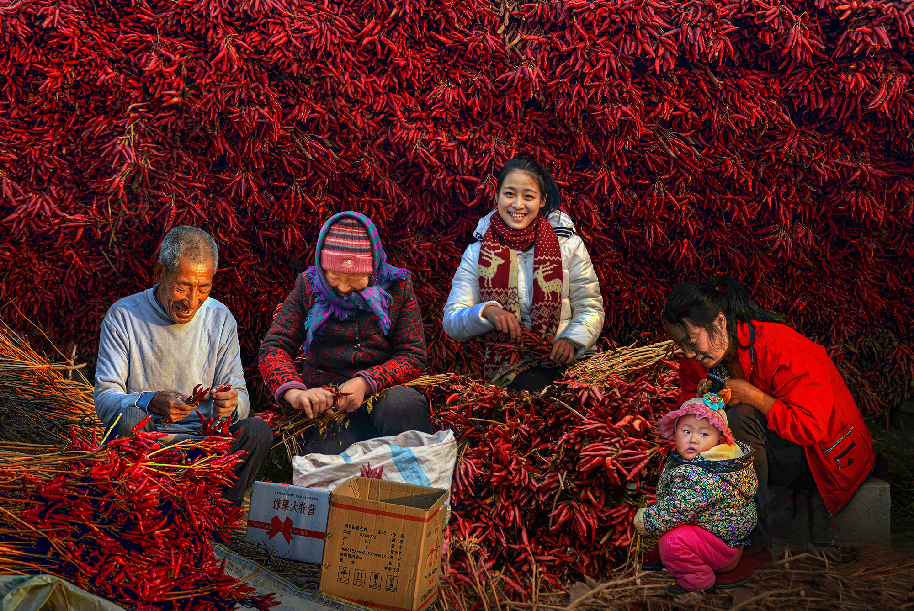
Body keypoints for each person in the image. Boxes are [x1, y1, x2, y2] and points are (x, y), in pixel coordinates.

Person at [655, 274, 875, 585]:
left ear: (720, 321)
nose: (688, 353)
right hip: (769, 449)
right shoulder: (697, 362)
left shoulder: (780, 346)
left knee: (739, 418)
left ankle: (752, 544)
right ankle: (690, 539)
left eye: (691, 341)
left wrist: (751, 395)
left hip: (821, 456)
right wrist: (698, 405)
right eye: (680, 345)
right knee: (695, 435)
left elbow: (811, 429)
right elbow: (687, 415)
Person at [94, 226, 273, 506]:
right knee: (127, 420)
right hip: (148, 446)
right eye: (182, 288)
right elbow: (105, 401)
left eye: (203, 289)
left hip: (205, 447)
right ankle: (136, 508)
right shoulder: (124, 317)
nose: (192, 302)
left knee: (257, 431)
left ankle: (218, 515)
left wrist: (231, 404)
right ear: (159, 273)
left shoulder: (219, 319)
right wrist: (150, 401)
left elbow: (241, 397)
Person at [259, 211, 434, 455]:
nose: (342, 287)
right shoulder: (308, 286)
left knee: (402, 406)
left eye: (355, 278)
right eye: (333, 276)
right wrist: (296, 392)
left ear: (372, 269)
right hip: (329, 404)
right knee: (328, 454)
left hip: (384, 392)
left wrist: (366, 382)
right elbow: (275, 346)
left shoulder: (397, 287)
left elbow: (412, 354)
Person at [442, 157, 605, 390]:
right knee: (532, 389)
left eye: (528, 196)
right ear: (497, 196)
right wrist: (486, 311)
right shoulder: (476, 253)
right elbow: (452, 321)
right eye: (509, 194)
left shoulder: (569, 245)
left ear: (542, 201)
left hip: (572, 360)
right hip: (515, 367)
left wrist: (573, 340)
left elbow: (590, 307)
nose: (518, 205)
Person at [634, 394, 758, 595]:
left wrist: (646, 521)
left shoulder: (703, 476)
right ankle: (685, 558)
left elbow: (676, 509)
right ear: (674, 433)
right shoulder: (718, 460)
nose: (693, 439)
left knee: (671, 542)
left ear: (720, 439)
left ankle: (697, 581)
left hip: (721, 550)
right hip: (721, 540)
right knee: (673, 531)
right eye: (686, 431)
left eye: (704, 434)